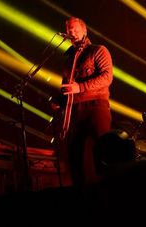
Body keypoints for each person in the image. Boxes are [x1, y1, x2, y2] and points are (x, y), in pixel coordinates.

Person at [55, 17, 114, 187]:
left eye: (74, 29)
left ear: (84, 31)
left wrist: (80, 87)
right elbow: (67, 87)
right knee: (74, 156)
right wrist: (59, 99)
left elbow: (106, 77)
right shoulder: (68, 60)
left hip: (96, 105)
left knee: (104, 152)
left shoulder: (98, 50)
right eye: (68, 30)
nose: (71, 32)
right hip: (74, 110)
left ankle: (109, 190)